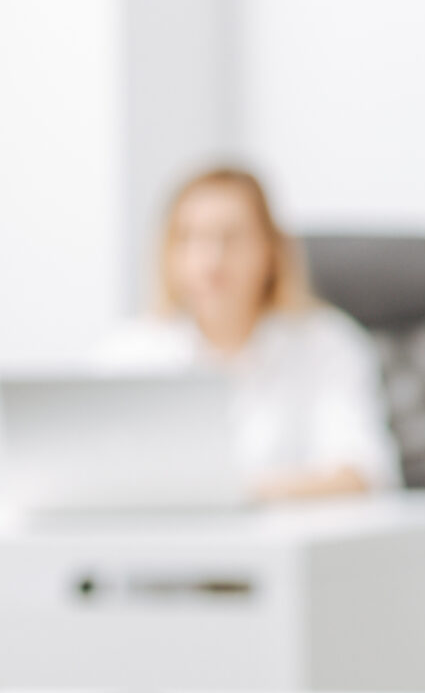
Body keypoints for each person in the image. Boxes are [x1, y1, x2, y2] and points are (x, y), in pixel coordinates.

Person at [97, 165, 400, 502]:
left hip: (287, 548)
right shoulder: (133, 352)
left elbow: (362, 474)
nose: (211, 260)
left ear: (270, 250)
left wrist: (233, 496)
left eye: (231, 238)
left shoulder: (327, 344)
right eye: (189, 238)